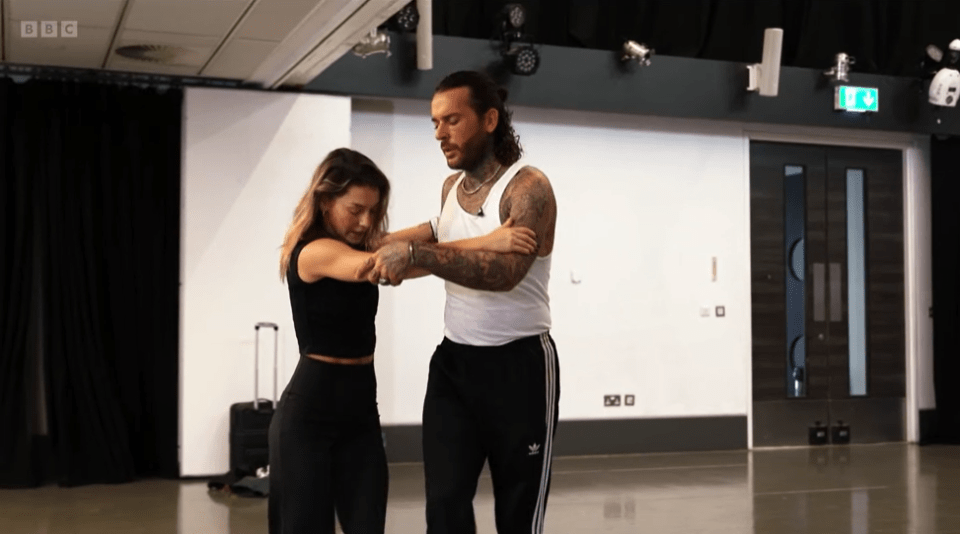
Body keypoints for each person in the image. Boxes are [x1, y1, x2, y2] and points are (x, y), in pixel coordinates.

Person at [269, 147, 537, 534]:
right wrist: (489, 241)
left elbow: (414, 250)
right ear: (325, 202)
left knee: (368, 525)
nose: (365, 222)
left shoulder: (360, 242)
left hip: (360, 416)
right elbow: (377, 266)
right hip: (307, 420)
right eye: (355, 209)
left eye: (373, 212)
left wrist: (450, 218)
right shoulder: (313, 252)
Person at [358, 70, 560, 534]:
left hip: (520, 366)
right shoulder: (452, 189)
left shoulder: (528, 187)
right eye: (434, 123)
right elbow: (439, 231)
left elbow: (504, 274)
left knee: (518, 510)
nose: (439, 134)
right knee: (445, 503)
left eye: (452, 120)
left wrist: (413, 256)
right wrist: (378, 241)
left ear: (490, 119)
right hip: (455, 366)